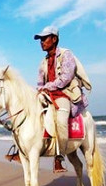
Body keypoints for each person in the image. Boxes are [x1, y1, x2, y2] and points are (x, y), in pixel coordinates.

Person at [34, 25, 89, 173]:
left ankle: (59, 157)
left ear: (54, 39)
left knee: (61, 121)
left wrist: (48, 86)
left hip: (64, 94)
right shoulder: (43, 62)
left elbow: (66, 78)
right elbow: (40, 82)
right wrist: (39, 90)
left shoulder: (66, 54)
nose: (42, 42)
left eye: (44, 38)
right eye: (41, 39)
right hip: (48, 94)